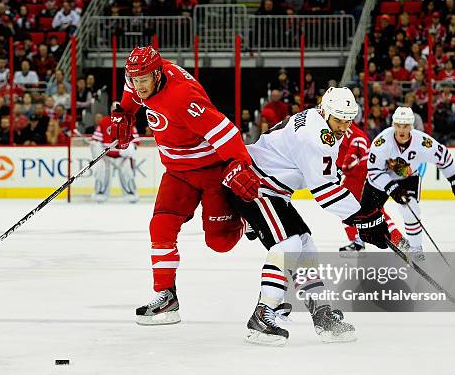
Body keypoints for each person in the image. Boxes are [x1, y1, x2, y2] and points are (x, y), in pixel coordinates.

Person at [225, 87, 390, 345]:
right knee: (288, 244)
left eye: (348, 120)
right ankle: (262, 314)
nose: (344, 126)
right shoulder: (317, 137)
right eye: (339, 119)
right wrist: (365, 220)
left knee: (305, 245)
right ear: (325, 112)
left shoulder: (319, 121)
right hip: (255, 186)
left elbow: (329, 180)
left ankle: (321, 313)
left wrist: (365, 219)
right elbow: (325, 192)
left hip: (271, 190)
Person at [111, 46, 254, 325]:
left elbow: (225, 133)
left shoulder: (183, 97)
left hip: (211, 170)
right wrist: (125, 115)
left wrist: (240, 165)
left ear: (157, 74)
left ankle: (246, 218)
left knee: (220, 243)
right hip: (177, 171)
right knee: (160, 226)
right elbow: (129, 96)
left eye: (143, 81)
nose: (138, 86)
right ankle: (166, 297)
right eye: (134, 80)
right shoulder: (139, 76)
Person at [361, 107, 455, 261]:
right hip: (380, 179)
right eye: (398, 125)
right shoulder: (382, 142)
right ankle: (360, 241)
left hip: (408, 178)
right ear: (393, 125)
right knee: (365, 220)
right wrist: (392, 189)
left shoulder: (423, 142)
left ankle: (416, 250)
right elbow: (373, 170)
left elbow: (444, 156)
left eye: (405, 126)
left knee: (411, 210)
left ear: (411, 126)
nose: (401, 130)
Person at [336, 123, 407, 253]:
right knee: (369, 210)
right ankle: (396, 239)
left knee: (349, 208)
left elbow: (359, 142)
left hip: (358, 174)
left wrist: (345, 166)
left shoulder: (342, 126)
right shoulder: (339, 125)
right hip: (362, 173)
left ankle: (395, 239)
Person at [89, 115, 139, 203]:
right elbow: (96, 140)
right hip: (107, 157)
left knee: (127, 172)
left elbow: (135, 142)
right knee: (102, 171)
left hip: (123, 157)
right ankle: (100, 193)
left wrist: (129, 149)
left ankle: (131, 193)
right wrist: (97, 148)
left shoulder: (128, 121)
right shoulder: (104, 121)